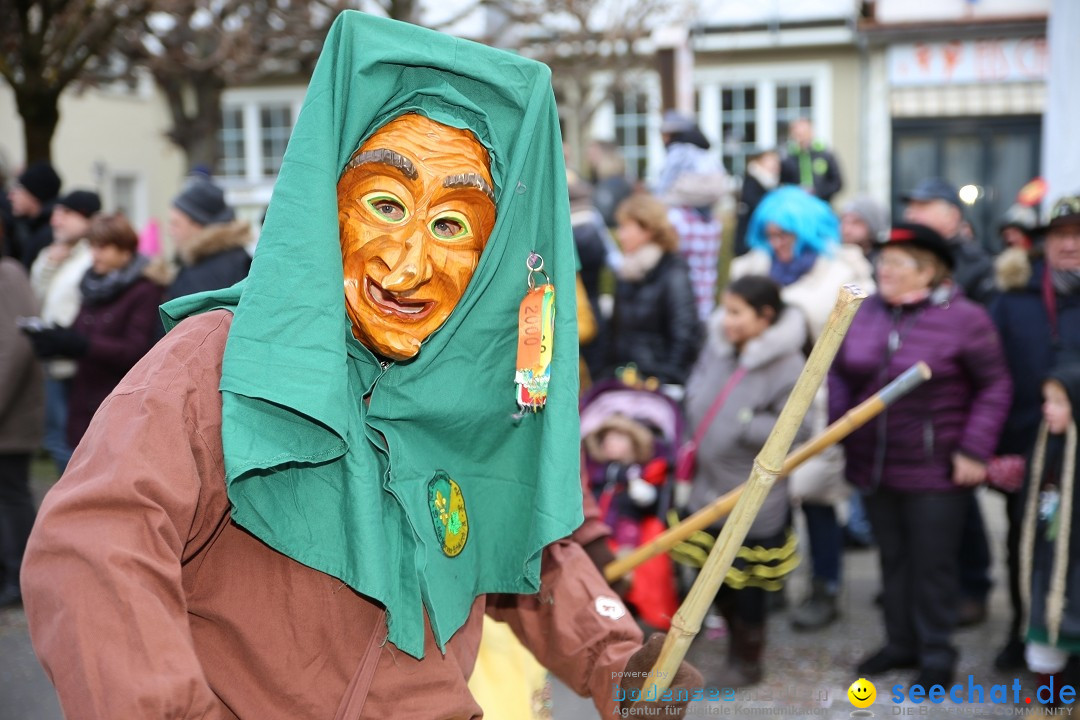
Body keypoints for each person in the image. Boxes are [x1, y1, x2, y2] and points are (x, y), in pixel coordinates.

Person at [21, 13, 701, 719]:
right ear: (328, 205)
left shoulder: (483, 396)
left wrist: (619, 663)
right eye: (384, 204)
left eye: (451, 226)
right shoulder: (223, 361)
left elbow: (530, 548)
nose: (408, 265)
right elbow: (97, 544)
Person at [830, 222, 1012, 689]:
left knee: (933, 564)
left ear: (928, 272)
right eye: (882, 261)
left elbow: (995, 385)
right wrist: (836, 424)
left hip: (936, 467)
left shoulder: (965, 317)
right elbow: (840, 371)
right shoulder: (866, 311)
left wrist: (974, 449)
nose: (882, 270)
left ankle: (936, 653)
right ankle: (900, 643)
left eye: (895, 263)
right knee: (892, 560)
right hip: (873, 461)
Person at [732, 185, 874, 631]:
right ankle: (770, 582)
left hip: (819, 397)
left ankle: (825, 586)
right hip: (761, 394)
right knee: (764, 493)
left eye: (786, 234)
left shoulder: (840, 272)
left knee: (815, 495)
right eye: (771, 233)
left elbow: (855, 337)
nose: (778, 243)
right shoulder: (752, 266)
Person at [682, 275, 808, 686]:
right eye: (725, 309)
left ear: (765, 316)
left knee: (749, 585)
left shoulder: (790, 365)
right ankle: (729, 636)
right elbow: (700, 388)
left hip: (750, 498)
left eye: (736, 312)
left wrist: (742, 423)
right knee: (713, 577)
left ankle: (747, 659)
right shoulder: (719, 346)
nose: (726, 320)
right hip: (705, 487)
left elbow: (801, 429)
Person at [990, 194, 1080, 671]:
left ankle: (1071, 638)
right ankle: (1024, 628)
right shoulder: (1014, 298)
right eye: (1061, 235)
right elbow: (991, 374)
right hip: (1026, 446)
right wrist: (996, 448)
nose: (1070, 244)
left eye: (1079, 235)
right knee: (1023, 542)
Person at [23, 213, 164, 449]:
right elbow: (82, 330)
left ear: (125, 250)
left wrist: (81, 344)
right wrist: (57, 338)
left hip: (117, 405)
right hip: (83, 403)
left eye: (104, 247)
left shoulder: (144, 290)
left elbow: (136, 350)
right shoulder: (92, 284)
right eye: (92, 246)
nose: (95, 254)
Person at [1020, 363, 1080, 693]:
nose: (1047, 409)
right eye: (1046, 401)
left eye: (1058, 402)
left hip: (1075, 566)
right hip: (1050, 562)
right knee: (1046, 635)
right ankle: (1052, 704)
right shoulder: (1046, 447)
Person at [30, 190, 99, 473]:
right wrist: (49, 265)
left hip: (79, 362)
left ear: (85, 218)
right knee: (57, 438)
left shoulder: (92, 256)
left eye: (65, 214)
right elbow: (36, 297)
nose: (56, 221)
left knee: (74, 442)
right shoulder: (53, 253)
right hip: (53, 360)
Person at [605, 192, 702, 386]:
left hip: (658, 381)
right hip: (627, 377)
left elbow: (684, 334)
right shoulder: (627, 271)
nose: (620, 235)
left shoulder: (673, 273)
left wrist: (667, 378)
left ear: (647, 230)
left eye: (625, 227)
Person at [0, 233, 44, 608]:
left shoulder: (8, 274)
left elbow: (14, 346)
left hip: (9, 414)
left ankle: (21, 576)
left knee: (11, 493)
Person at [656, 110, 726, 320]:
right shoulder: (707, 156)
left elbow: (661, 188)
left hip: (683, 219)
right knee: (705, 273)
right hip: (705, 223)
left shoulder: (679, 152)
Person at [155, 177, 252, 303]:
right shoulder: (234, 259)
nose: (169, 232)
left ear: (197, 224)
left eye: (176, 224)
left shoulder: (204, 274)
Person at [901, 177, 995, 304]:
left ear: (952, 216)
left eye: (921, 207)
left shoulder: (977, 264)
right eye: (910, 209)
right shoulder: (901, 256)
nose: (910, 216)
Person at [7, 162, 61, 271]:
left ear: (34, 195)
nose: (10, 196)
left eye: (19, 189)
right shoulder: (27, 226)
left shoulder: (48, 235)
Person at [779, 118, 842, 203]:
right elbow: (782, 183)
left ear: (811, 132)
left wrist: (817, 192)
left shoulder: (825, 154)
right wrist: (796, 192)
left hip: (821, 203)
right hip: (796, 204)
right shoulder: (788, 157)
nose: (801, 138)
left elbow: (837, 183)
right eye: (797, 134)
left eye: (804, 133)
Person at [734, 148, 780, 257]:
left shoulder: (773, 183)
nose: (774, 164)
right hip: (749, 240)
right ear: (760, 161)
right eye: (769, 160)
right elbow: (754, 203)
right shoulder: (752, 180)